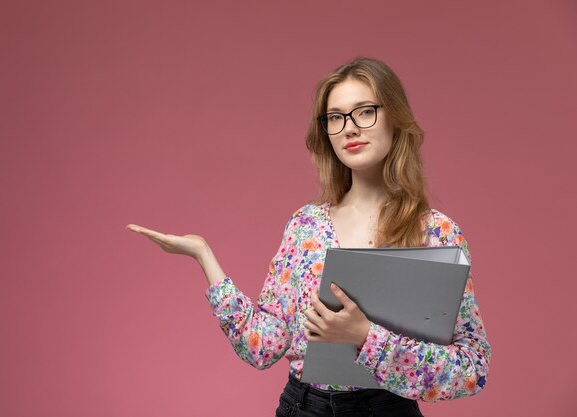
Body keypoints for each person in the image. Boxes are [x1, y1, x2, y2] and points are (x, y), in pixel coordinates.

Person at [126, 57, 491, 417]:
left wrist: (366, 335)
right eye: (335, 117)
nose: (349, 128)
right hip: (304, 408)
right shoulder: (307, 226)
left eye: (364, 111)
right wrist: (203, 255)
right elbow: (263, 347)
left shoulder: (436, 232)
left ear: (395, 118)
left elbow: (471, 369)